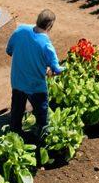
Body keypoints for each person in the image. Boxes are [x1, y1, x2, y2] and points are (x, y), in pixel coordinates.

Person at [6, 9, 62, 145]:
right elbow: (56, 69)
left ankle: (14, 138)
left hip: (17, 82)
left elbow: (9, 50)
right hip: (36, 87)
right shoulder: (46, 44)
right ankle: (41, 142)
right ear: (50, 26)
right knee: (42, 117)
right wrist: (56, 69)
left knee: (17, 111)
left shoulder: (20, 30)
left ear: (37, 20)